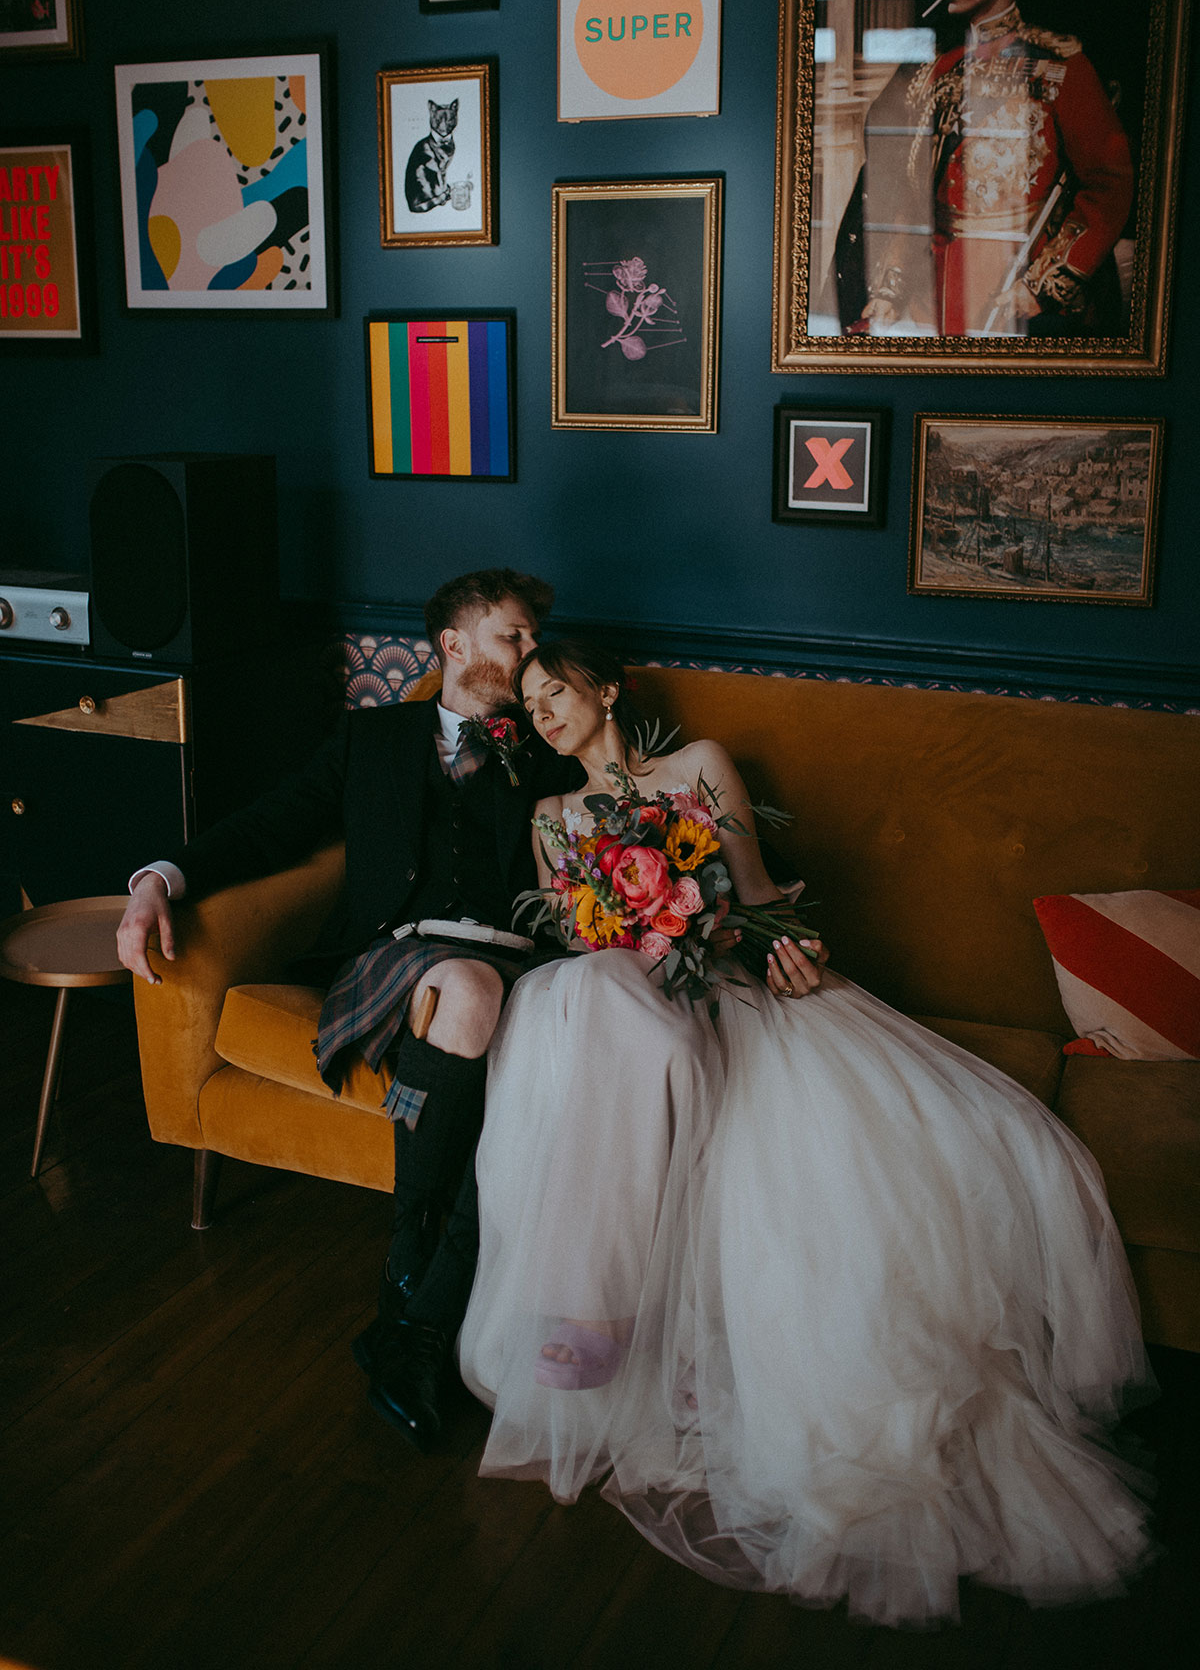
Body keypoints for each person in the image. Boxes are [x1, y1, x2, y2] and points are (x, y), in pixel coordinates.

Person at [457, 639, 1154, 1626]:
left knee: (936, 1151)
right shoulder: (549, 818)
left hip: (724, 991)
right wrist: (630, 925)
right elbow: (580, 939)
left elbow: (759, 889)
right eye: (529, 708)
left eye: (556, 692)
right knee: (575, 999)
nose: (545, 715)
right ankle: (595, 1307)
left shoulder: (697, 767)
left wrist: (785, 943)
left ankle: (649, 1331)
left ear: (605, 689)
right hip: (627, 1013)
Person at [116, 568, 577, 1451]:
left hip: (517, 963)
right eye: (512, 637)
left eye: (531, 640)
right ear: (454, 644)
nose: (529, 656)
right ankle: (420, 1280)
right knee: (470, 994)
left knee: (526, 1068)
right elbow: (269, 824)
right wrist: (156, 882)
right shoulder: (374, 739)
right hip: (394, 955)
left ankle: (413, 1308)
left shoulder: (548, 741)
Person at [846, 0, 1134, 338]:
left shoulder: (1060, 66)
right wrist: (890, 289)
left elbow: (1108, 183)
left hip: (1015, 285)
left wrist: (1040, 286)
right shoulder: (936, 72)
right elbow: (909, 196)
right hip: (933, 291)